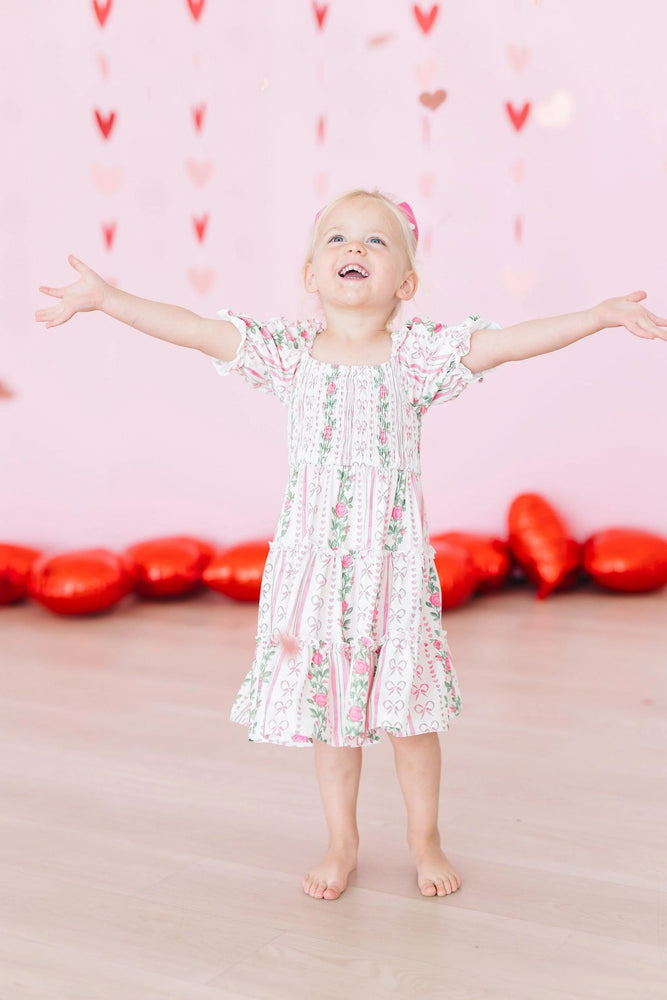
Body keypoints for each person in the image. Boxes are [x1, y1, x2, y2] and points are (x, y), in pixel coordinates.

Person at [35, 188, 666, 902]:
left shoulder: (417, 358)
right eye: (336, 238)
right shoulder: (288, 354)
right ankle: (341, 840)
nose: (354, 247)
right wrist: (107, 299)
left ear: (406, 283)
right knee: (331, 721)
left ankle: (424, 837)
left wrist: (597, 317)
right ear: (311, 275)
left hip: (392, 576)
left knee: (410, 720)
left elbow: (509, 342)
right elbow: (195, 330)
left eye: (375, 239)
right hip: (316, 577)